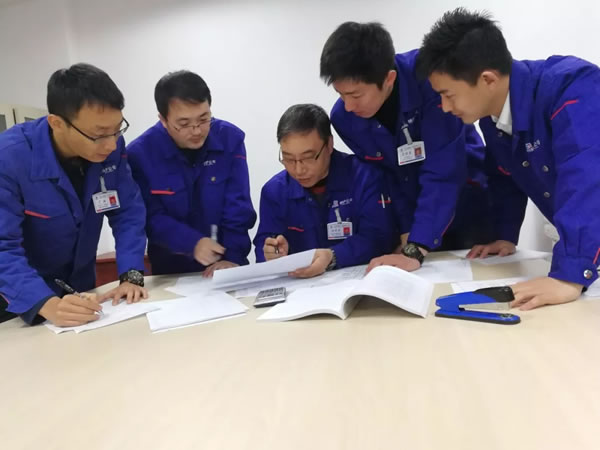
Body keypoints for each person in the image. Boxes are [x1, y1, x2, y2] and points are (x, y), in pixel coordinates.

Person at [416, 7, 600, 310]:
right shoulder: (493, 120)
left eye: (448, 94)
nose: (445, 107)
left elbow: (588, 179)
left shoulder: (572, 88)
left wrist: (569, 275)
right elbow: (506, 177)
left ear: (487, 79)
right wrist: (505, 236)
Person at [320, 21, 493, 274]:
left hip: (466, 203)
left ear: (389, 78)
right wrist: (406, 232)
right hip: (416, 219)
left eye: (356, 95)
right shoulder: (345, 119)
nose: (348, 106)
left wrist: (417, 246)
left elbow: (444, 171)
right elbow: (385, 178)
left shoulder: (431, 81)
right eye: (340, 94)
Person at [0, 63, 148, 326]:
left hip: (80, 290)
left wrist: (131, 275)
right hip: (17, 300)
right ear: (57, 123)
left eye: (117, 129)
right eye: (99, 134)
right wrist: (45, 303)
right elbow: (3, 246)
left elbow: (127, 212)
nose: (111, 144)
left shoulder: (111, 149)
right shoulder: (10, 158)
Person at [127, 71, 256, 277]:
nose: (196, 131)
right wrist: (191, 243)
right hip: (170, 270)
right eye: (184, 124)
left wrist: (232, 256)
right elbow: (149, 216)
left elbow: (238, 206)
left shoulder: (229, 139)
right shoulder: (140, 154)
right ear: (163, 119)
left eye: (204, 119)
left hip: (227, 265)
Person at [254, 104, 395, 278]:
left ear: (329, 145)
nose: (298, 170)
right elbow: (264, 246)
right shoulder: (274, 192)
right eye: (288, 159)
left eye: (308, 158)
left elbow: (378, 237)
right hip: (302, 288)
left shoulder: (365, 177)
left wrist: (333, 256)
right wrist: (272, 254)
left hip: (361, 281)